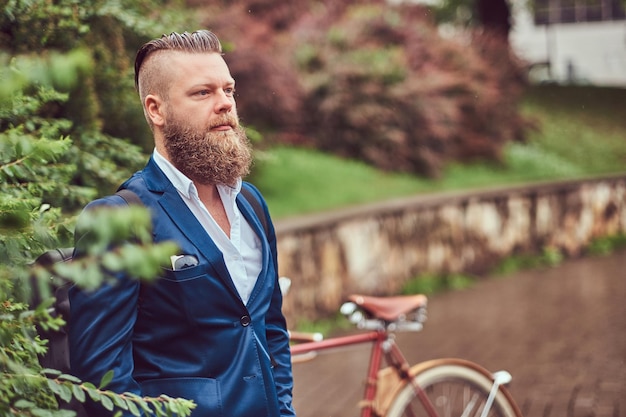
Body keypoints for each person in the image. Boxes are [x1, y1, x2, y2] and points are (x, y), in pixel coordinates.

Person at [68, 30, 296, 417]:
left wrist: (285, 408)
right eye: (202, 93)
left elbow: (270, 329)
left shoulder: (251, 204)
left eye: (228, 90)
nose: (224, 104)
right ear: (156, 110)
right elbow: (103, 381)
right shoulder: (119, 220)